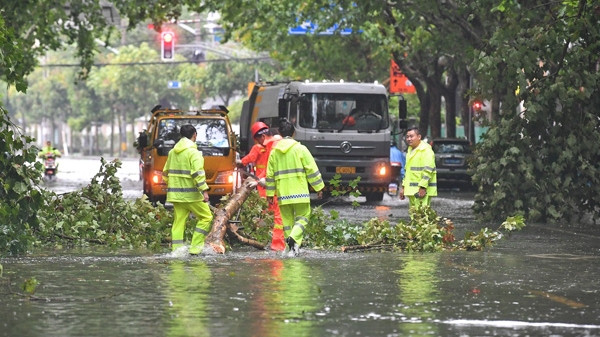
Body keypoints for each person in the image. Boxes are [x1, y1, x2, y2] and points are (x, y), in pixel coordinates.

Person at [266, 119, 324, 256]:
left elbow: (270, 175)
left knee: (287, 223)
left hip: (283, 194)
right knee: (303, 217)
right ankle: (294, 239)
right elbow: (312, 170)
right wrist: (319, 187)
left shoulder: (274, 152)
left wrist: (269, 194)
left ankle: (291, 249)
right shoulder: (300, 149)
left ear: (280, 133)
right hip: (300, 192)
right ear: (294, 133)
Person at [162, 124, 213, 255]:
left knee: (178, 222)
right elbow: (198, 173)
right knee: (206, 217)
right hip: (191, 196)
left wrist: (173, 186)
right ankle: (195, 248)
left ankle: (177, 251)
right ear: (194, 135)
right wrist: (204, 191)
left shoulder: (172, 152)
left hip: (176, 196)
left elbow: (165, 173)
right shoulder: (194, 152)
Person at [237, 121, 285, 251]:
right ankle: (273, 235)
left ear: (260, 137)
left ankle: (274, 239)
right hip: (268, 180)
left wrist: (240, 163)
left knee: (269, 209)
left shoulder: (264, 147)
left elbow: (257, 161)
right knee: (272, 209)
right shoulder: (275, 145)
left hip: (266, 181)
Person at [400, 127, 437, 209]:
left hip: (421, 191)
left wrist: (423, 187)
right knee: (415, 217)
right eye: (407, 136)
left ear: (419, 137)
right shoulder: (410, 150)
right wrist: (403, 188)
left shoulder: (426, 150)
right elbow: (407, 171)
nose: (409, 139)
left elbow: (428, 171)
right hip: (412, 190)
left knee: (421, 217)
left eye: (411, 136)